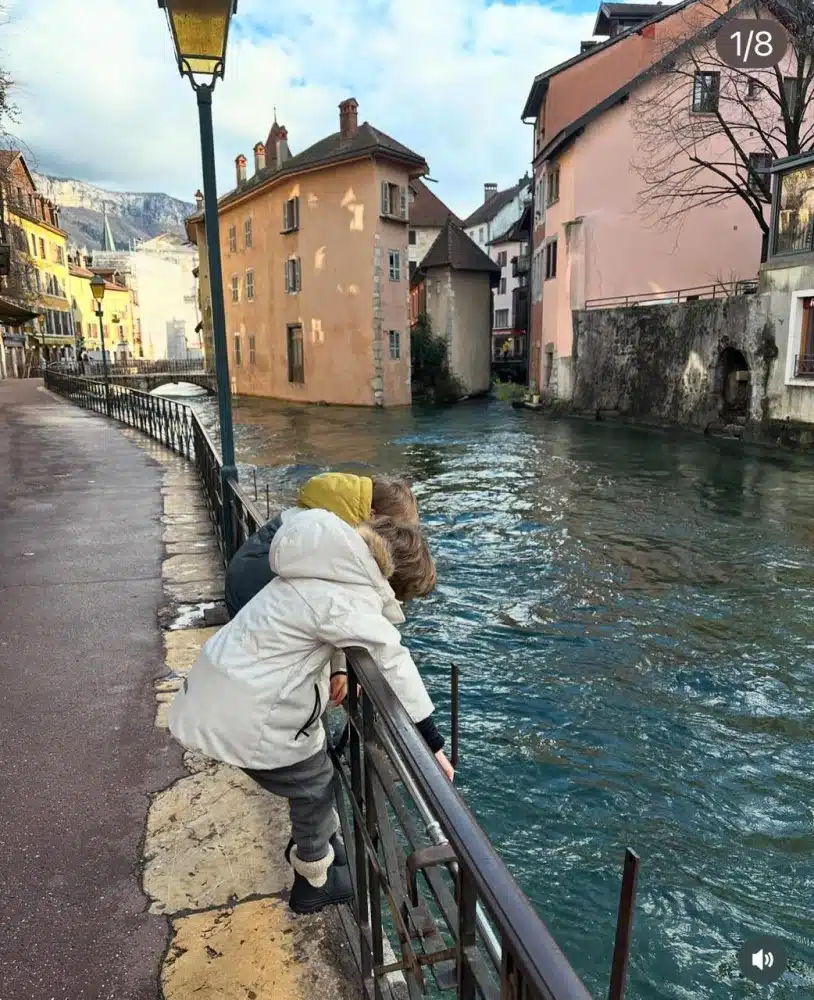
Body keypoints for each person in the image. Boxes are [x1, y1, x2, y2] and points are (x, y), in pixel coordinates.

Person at [169, 508, 453, 915]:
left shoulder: (322, 566)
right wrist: (432, 742)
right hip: (244, 715)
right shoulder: (346, 597)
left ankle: (319, 843)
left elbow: (319, 623)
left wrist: (339, 665)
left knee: (314, 777)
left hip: (218, 685)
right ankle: (315, 877)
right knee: (316, 786)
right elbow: (391, 660)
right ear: (389, 583)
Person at [224, 472, 418, 619]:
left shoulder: (324, 511)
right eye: (391, 528)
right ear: (373, 515)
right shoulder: (338, 536)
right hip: (253, 604)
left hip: (242, 593)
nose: (393, 538)